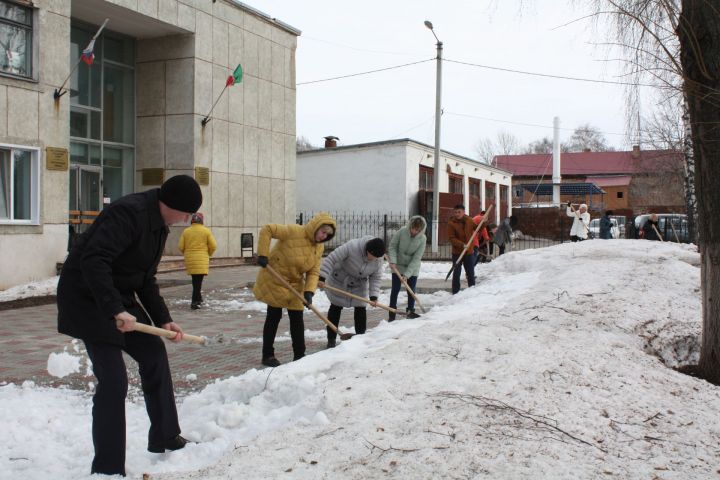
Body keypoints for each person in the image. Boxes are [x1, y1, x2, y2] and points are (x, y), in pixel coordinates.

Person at [57, 174, 203, 476]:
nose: (187, 219)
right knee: (113, 381)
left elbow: (145, 279)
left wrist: (164, 319)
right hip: (88, 297)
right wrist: (114, 310)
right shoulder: (129, 213)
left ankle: (165, 435)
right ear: (172, 205)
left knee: (154, 354)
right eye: (187, 213)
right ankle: (108, 467)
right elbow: (94, 261)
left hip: (118, 296)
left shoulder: (159, 226)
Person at [253, 212, 336, 367]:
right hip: (275, 278)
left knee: (297, 318)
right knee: (274, 316)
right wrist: (263, 254)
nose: (324, 237)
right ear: (316, 227)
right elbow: (267, 229)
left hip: (295, 283)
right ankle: (268, 355)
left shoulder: (319, 247)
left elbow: (313, 271)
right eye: (323, 232)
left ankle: (299, 355)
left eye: (327, 235)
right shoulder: (293, 231)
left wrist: (309, 291)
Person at [319, 236, 385, 348]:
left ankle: (361, 338)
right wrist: (321, 277)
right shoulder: (352, 246)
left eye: (376, 257)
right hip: (340, 280)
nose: (373, 259)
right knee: (335, 307)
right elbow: (331, 258)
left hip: (359, 284)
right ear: (368, 250)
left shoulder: (378, 259)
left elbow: (376, 277)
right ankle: (331, 340)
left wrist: (373, 296)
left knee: (360, 308)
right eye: (372, 256)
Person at [387, 216, 427, 321]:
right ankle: (391, 314)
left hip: (412, 268)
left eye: (417, 230)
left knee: (411, 291)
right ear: (410, 226)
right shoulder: (402, 231)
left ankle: (410, 312)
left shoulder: (422, 239)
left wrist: (407, 274)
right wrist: (393, 261)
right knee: (395, 290)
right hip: (397, 265)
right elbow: (393, 246)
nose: (414, 231)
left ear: (421, 230)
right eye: (413, 228)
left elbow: (416, 258)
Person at [178, 212, 217, 309]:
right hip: (202, 258)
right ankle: (195, 302)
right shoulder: (206, 231)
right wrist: (209, 253)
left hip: (190, 259)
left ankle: (198, 299)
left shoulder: (186, 231)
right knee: (197, 282)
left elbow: (180, 246)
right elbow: (214, 246)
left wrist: (187, 253)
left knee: (196, 281)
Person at [447, 204, 476, 295]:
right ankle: (455, 292)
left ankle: (472, 290)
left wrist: (484, 223)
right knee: (456, 273)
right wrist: (462, 245)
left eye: (459, 212)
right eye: (455, 212)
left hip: (469, 252)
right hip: (457, 252)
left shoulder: (469, 221)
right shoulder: (451, 223)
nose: (457, 214)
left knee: (470, 273)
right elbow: (451, 238)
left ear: (463, 212)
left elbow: (477, 228)